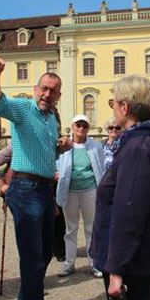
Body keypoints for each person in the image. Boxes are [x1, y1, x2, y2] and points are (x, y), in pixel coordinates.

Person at [0, 57, 71, 300]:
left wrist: (60, 148)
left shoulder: (50, 119)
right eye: (44, 88)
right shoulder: (23, 108)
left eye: (53, 90)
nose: (47, 94)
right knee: (32, 255)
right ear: (36, 90)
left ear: (59, 95)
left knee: (45, 253)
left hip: (44, 190)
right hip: (25, 189)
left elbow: (43, 151)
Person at [91, 75, 150, 300]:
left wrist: (117, 269)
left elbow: (129, 214)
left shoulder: (138, 148)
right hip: (141, 256)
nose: (113, 108)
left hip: (132, 263)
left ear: (125, 107)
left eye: (113, 103)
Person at [56, 115, 105, 278]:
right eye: (78, 125)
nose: (81, 128)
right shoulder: (64, 144)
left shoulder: (95, 146)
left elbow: (100, 166)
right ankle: (69, 264)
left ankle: (94, 263)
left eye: (84, 125)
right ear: (72, 126)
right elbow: (56, 162)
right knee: (70, 229)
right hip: (69, 190)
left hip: (89, 190)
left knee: (91, 228)